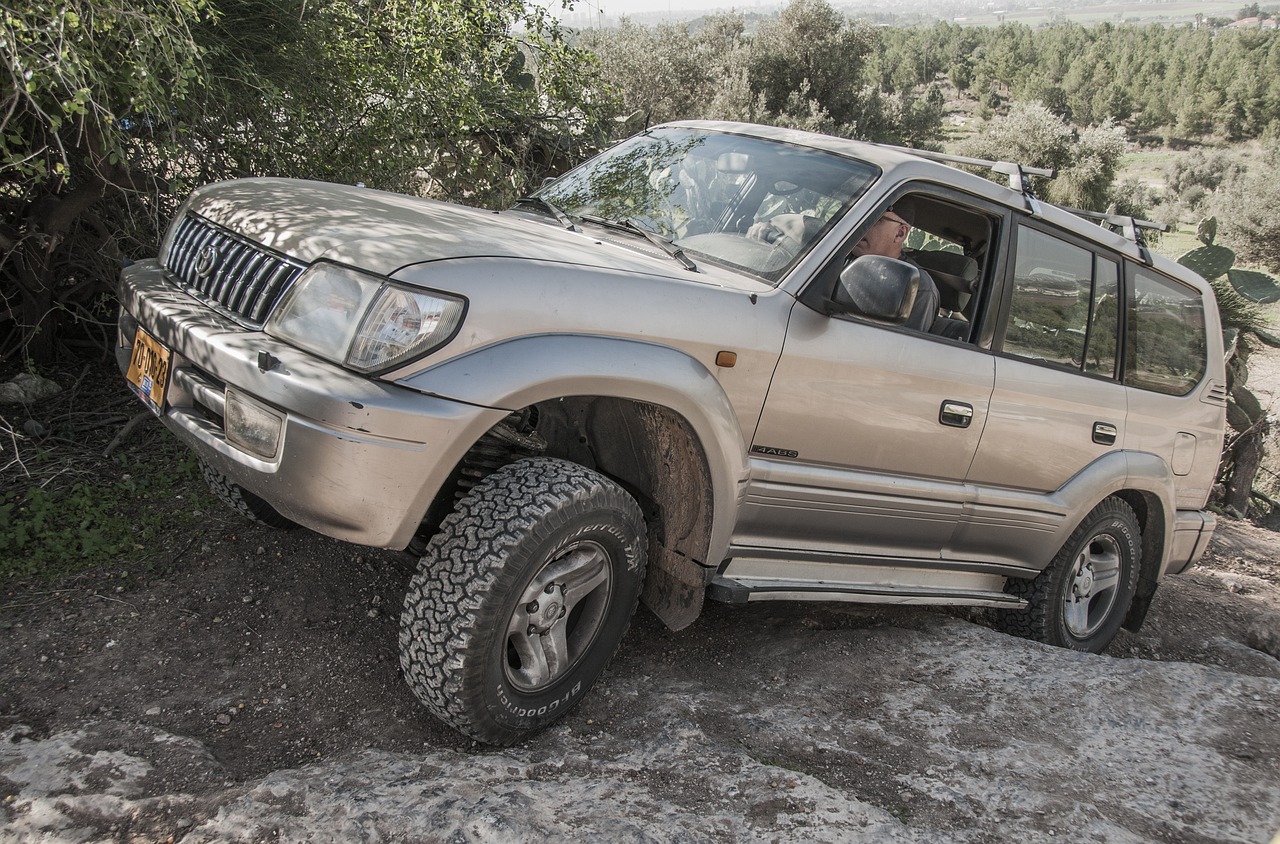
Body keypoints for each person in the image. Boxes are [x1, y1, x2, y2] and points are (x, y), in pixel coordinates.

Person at [848, 199, 939, 333]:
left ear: (900, 233)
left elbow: (901, 348)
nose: (861, 225)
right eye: (860, 216)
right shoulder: (840, 258)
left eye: (874, 219)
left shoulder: (916, 285)